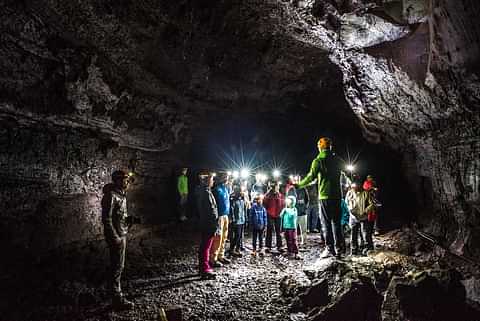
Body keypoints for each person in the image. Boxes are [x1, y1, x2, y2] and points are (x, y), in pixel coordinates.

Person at [297, 137, 345, 258]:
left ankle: (330, 248)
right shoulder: (338, 160)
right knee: (337, 223)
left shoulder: (318, 160)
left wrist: (299, 185)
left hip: (325, 195)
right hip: (337, 195)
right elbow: (347, 174)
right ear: (330, 146)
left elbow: (311, 177)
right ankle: (340, 249)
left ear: (320, 147)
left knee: (326, 222)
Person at [101, 170, 135, 310]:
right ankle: (116, 299)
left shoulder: (121, 195)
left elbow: (119, 216)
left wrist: (129, 220)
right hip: (116, 237)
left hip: (121, 234)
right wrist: (115, 237)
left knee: (119, 266)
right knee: (117, 267)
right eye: (125, 180)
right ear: (119, 180)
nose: (127, 182)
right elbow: (107, 219)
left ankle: (115, 292)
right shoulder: (111, 196)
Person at [195, 171, 219, 279]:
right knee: (206, 246)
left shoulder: (203, 192)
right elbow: (210, 211)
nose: (213, 181)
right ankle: (204, 269)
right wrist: (214, 224)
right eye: (211, 179)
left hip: (205, 222)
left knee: (205, 245)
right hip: (208, 224)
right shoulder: (205, 193)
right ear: (206, 180)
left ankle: (203, 267)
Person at [345, 182, 376, 255]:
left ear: (360, 186)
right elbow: (346, 203)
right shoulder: (349, 193)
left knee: (365, 234)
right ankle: (354, 250)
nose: (354, 189)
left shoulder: (366, 193)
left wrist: (365, 211)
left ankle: (368, 249)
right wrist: (350, 209)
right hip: (353, 217)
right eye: (353, 187)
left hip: (363, 217)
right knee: (353, 234)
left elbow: (372, 204)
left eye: (356, 187)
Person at [211, 173, 231, 266]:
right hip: (219, 216)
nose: (226, 179)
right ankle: (213, 258)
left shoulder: (225, 188)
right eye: (224, 177)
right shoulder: (216, 190)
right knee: (218, 237)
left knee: (224, 236)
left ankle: (221, 255)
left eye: (227, 177)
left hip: (225, 214)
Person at [263, 182, 285, 253]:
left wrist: (281, 212)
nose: (278, 187)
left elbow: (283, 204)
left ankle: (279, 246)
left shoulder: (280, 195)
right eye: (277, 186)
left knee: (278, 230)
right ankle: (268, 246)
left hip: (278, 215)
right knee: (269, 230)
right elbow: (264, 204)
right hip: (270, 215)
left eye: (278, 186)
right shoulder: (268, 195)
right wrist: (267, 212)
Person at [229, 185, 247, 257]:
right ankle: (232, 249)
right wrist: (233, 219)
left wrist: (245, 218)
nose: (241, 192)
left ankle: (237, 249)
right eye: (240, 191)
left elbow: (243, 210)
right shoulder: (233, 200)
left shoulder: (242, 200)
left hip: (241, 220)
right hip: (236, 221)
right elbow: (232, 210)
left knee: (239, 236)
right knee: (237, 236)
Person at [294, 176, 310, 245]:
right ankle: (293, 241)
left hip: (303, 212)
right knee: (293, 229)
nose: (297, 181)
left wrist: (305, 207)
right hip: (294, 213)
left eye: (298, 180)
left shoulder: (304, 189)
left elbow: (307, 199)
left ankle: (304, 241)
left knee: (303, 229)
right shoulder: (292, 189)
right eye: (296, 180)